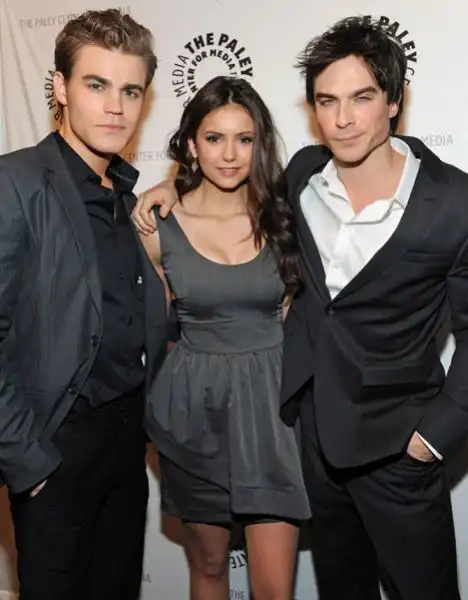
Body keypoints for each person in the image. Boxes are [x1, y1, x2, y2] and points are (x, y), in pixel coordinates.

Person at [132, 16, 468, 600]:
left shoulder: (453, 200)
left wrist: (433, 438)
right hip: (311, 443)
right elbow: (225, 188)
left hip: (400, 448)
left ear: (394, 101)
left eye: (362, 98)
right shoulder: (303, 177)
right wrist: (170, 187)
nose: (343, 118)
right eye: (327, 101)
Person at [0, 9, 170, 600]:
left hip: (125, 448)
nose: (115, 107)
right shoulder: (16, 183)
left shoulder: (124, 195)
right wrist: (29, 463)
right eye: (97, 85)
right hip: (54, 450)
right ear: (61, 87)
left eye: (131, 91)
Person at [138, 75, 310, 600]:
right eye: (214, 138)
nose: (230, 154)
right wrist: (170, 188)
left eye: (244, 139)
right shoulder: (157, 226)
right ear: (192, 145)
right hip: (194, 412)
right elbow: (149, 327)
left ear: (260, 143)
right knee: (210, 567)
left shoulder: (287, 215)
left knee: (273, 588)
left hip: (274, 413)